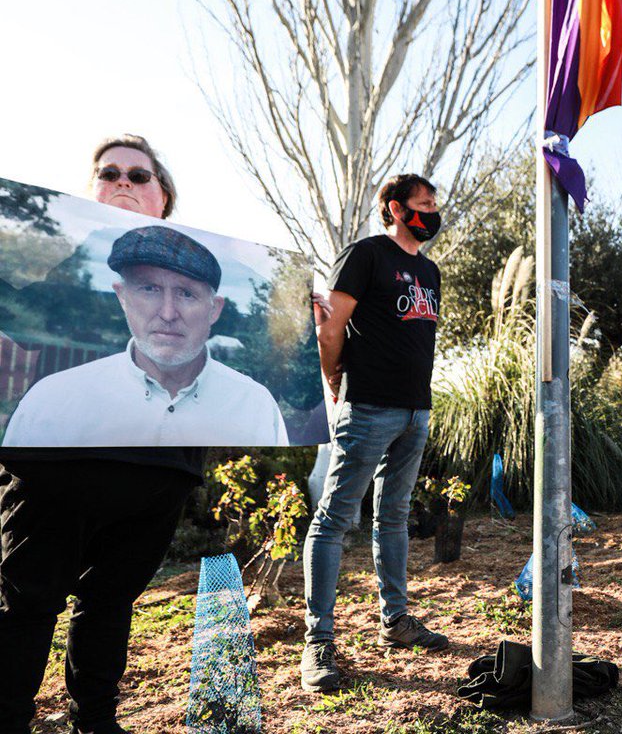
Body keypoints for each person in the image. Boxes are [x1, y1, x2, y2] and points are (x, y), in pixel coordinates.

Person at [0, 135, 203, 734]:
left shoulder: (203, 270)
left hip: (159, 468)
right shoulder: (61, 258)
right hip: (53, 463)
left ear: (162, 197)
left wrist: (301, 327)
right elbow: (25, 323)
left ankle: (97, 721)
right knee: (26, 603)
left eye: (139, 176)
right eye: (108, 172)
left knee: (112, 602)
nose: (123, 182)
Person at [301, 174, 447, 693]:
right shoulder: (365, 255)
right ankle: (318, 640)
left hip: (416, 412)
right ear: (396, 208)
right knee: (336, 519)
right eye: (424, 204)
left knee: (394, 517)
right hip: (368, 408)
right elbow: (332, 325)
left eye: (434, 204)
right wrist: (334, 376)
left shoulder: (429, 270)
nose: (432, 212)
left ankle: (396, 621)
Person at [2, 226, 288, 447]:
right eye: (149, 289)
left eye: (186, 293)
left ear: (214, 309)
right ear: (122, 297)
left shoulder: (256, 407)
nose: (167, 313)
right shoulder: (52, 402)